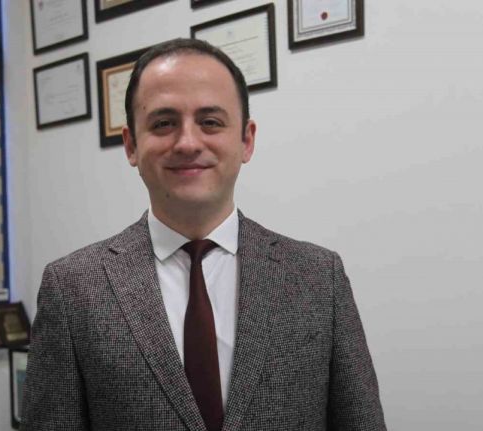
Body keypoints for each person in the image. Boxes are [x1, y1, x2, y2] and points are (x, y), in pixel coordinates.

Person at [21, 38, 386, 431]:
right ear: (131, 145)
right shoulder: (71, 289)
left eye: (210, 122)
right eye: (163, 123)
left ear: (246, 140)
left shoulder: (319, 277)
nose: (188, 143)